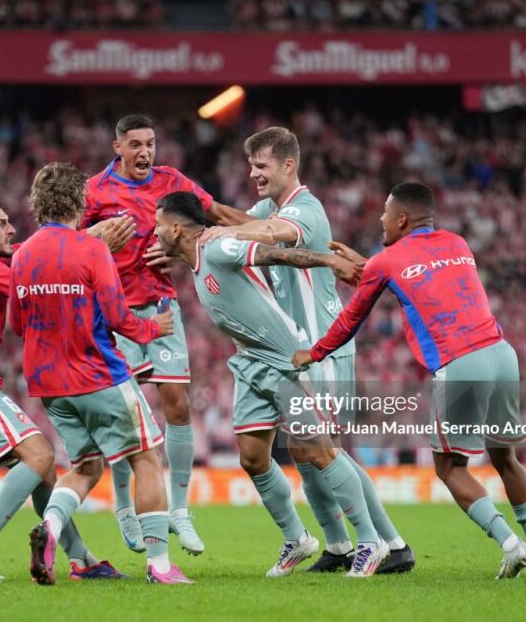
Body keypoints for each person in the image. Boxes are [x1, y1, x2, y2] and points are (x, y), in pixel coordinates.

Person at [293, 182, 526, 579]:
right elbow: (420, 278)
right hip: (502, 354)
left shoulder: (387, 260)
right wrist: (370, 268)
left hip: (461, 364)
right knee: (506, 458)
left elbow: (352, 318)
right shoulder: (457, 243)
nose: (381, 219)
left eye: (386, 212)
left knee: (450, 468)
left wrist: (313, 353)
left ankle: (511, 545)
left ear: (401, 218)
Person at [201, 127, 414, 574]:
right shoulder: (269, 207)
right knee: (304, 450)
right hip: (300, 350)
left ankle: (392, 544)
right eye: (251, 166)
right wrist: (198, 210)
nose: (253, 174)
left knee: (324, 449)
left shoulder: (305, 210)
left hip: (325, 347)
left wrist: (219, 231)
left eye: (261, 166)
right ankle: (338, 546)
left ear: (288, 165)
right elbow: (238, 218)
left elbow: (268, 233)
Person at [154, 191, 391, 578]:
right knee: (252, 457)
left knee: (318, 451)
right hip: (250, 362)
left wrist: (328, 260)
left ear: (177, 228)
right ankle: (296, 538)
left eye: (158, 225)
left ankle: (370, 540)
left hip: (284, 360)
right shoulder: (196, 257)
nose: (155, 232)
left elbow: (276, 255)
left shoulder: (218, 248)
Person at [11, 162, 191, 585]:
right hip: (96, 373)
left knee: (87, 466)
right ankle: (160, 565)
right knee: (147, 457)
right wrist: (153, 329)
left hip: (48, 383)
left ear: (38, 204)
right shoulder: (92, 249)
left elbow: (17, 324)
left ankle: (51, 528)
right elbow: (118, 316)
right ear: (80, 201)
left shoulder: (22, 255)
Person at [82, 114, 251, 555]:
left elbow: (213, 216)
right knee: (123, 415)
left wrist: (267, 228)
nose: (145, 152)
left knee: (177, 404)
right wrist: (97, 241)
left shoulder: (171, 181)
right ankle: (124, 506)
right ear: (117, 147)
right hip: (113, 312)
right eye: (136, 144)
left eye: (151, 144)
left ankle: (180, 510)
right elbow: (68, 244)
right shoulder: (94, 190)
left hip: (160, 307)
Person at [0, 198, 122, 583]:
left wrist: (81, 235)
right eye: (2, 224)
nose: (11, 229)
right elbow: (37, 274)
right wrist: (86, 246)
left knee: (43, 471)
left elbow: (28, 256)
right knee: (40, 455)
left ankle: (81, 559)